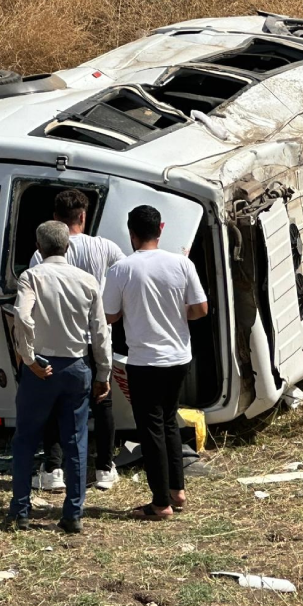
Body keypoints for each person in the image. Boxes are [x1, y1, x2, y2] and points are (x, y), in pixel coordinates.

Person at [103, 205, 208, 521]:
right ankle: (177, 490)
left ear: (130, 232)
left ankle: (160, 502)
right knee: (168, 421)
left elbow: (110, 315)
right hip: (178, 357)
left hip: (145, 361)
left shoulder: (122, 269)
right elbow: (201, 308)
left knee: (150, 429)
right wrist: (178, 316)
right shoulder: (181, 263)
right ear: (160, 228)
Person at [7, 221, 112, 533]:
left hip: (42, 367)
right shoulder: (87, 280)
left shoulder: (32, 277)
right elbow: (100, 332)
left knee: (25, 438)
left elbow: (22, 316)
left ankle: (21, 510)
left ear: (39, 248)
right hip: (77, 366)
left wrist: (28, 358)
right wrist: (103, 372)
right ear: (68, 246)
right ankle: (73, 514)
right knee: (75, 441)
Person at [30, 189, 126, 493]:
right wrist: (114, 312)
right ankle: (104, 469)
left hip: (57, 341)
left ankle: (54, 470)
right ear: (83, 216)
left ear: (55, 219)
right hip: (96, 337)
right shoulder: (105, 247)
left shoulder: (42, 252)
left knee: (56, 405)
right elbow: (127, 277)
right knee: (102, 402)